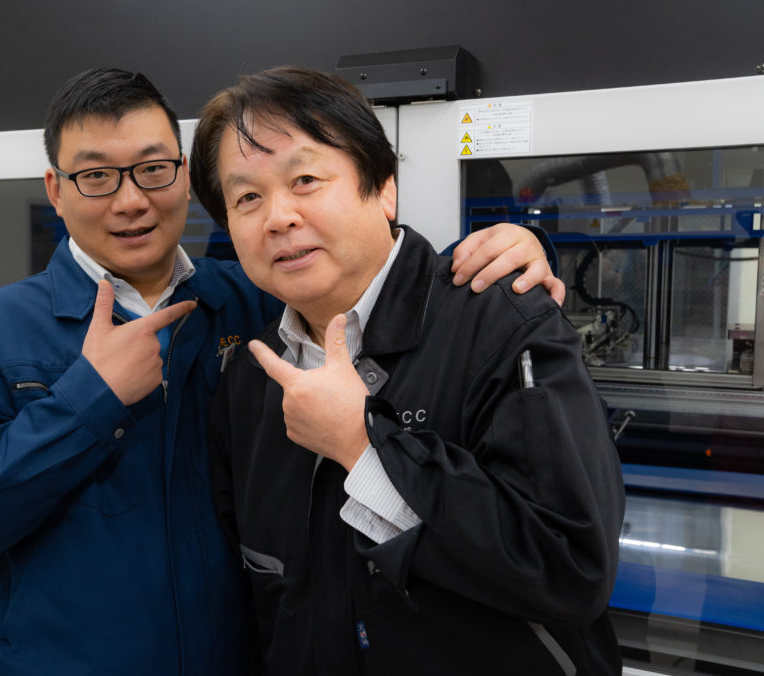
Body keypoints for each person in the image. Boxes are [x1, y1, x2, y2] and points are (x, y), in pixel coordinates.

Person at [0, 67, 562, 675]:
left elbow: (362, 267)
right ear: (56, 189)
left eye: (153, 170)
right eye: (96, 176)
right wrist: (87, 401)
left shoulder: (251, 299)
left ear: (184, 177)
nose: (130, 201)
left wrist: (504, 256)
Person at [191, 66, 625, 675]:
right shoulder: (252, 376)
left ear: (384, 189)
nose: (278, 217)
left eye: (306, 180)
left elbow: (569, 569)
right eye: (247, 199)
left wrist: (363, 449)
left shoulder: (501, 321)